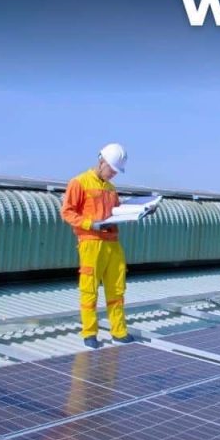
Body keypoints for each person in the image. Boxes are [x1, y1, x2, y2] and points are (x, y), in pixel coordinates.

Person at [60, 143, 134, 348]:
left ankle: (119, 331)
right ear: (102, 162)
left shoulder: (111, 189)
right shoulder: (79, 182)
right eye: (112, 170)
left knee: (117, 290)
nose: (113, 175)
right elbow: (67, 212)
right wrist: (88, 224)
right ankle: (89, 332)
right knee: (90, 289)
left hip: (112, 243)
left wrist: (139, 211)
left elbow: (116, 212)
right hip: (91, 243)